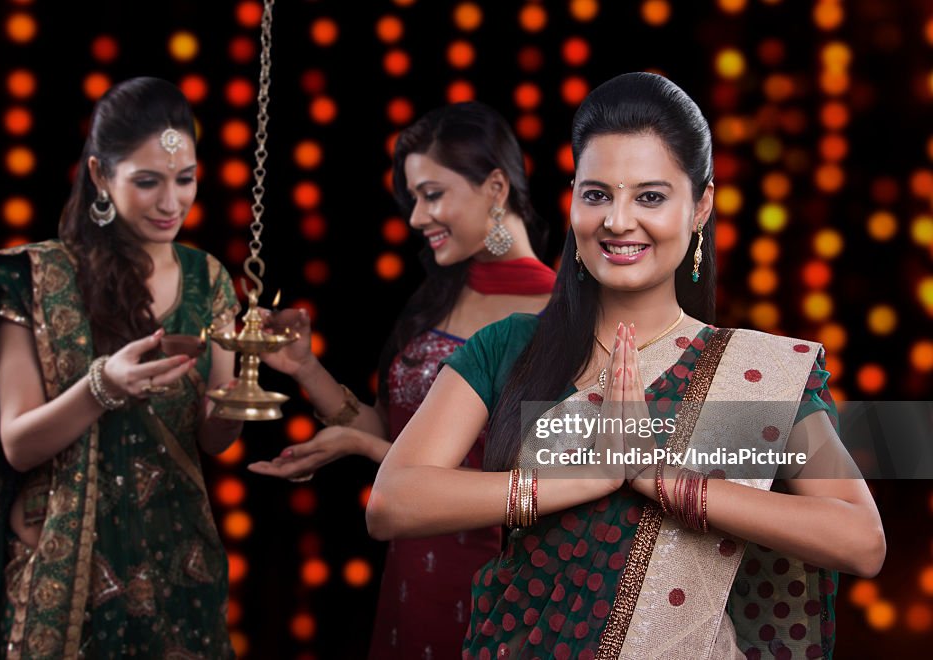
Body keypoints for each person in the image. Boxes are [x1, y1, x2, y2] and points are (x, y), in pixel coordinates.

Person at [367, 73, 885, 659]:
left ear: (701, 206)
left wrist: (663, 482)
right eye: (596, 195)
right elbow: (394, 501)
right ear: (572, 201)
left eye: (650, 196)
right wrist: (580, 479)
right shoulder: (510, 347)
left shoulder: (751, 372)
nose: (616, 221)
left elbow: (860, 539)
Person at [247, 102, 558, 659]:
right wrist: (305, 368)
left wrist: (363, 447)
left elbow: (549, 478)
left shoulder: (555, 315)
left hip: (493, 580)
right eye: (413, 198)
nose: (416, 217)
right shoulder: (442, 295)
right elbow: (402, 434)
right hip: (412, 575)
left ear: (494, 187)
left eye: (432, 194)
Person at [0, 77, 243, 658]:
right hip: (63, 583)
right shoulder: (36, 279)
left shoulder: (209, 278)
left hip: (179, 576)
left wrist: (238, 400)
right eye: (148, 182)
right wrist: (102, 387)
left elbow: (215, 440)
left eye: (185, 180)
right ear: (99, 177)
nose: (172, 203)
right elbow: (17, 444)